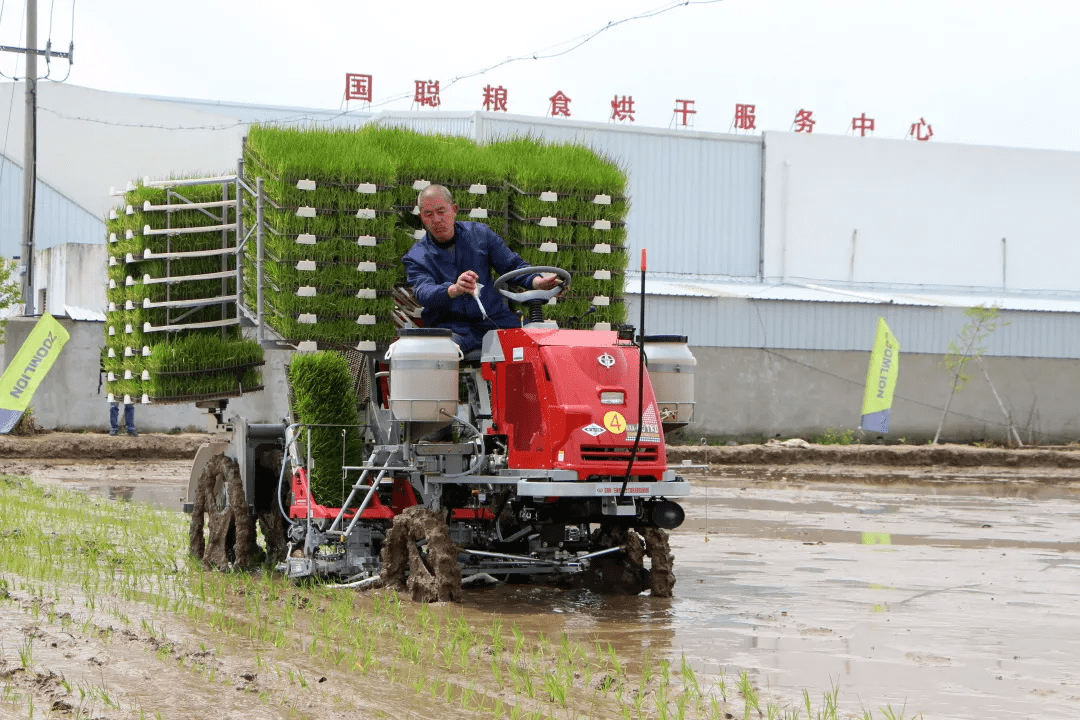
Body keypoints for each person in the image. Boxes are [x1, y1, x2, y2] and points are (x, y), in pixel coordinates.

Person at [403, 184, 561, 354]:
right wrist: (453, 289)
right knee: (438, 352)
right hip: (451, 328)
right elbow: (424, 292)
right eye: (428, 214)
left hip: (495, 321)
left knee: (541, 345)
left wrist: (538, 281)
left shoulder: (481, 235)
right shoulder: (416, 256)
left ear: (454, 209)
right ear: (421, 217)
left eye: (441, 211)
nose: (436, 219)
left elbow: (512, 265)